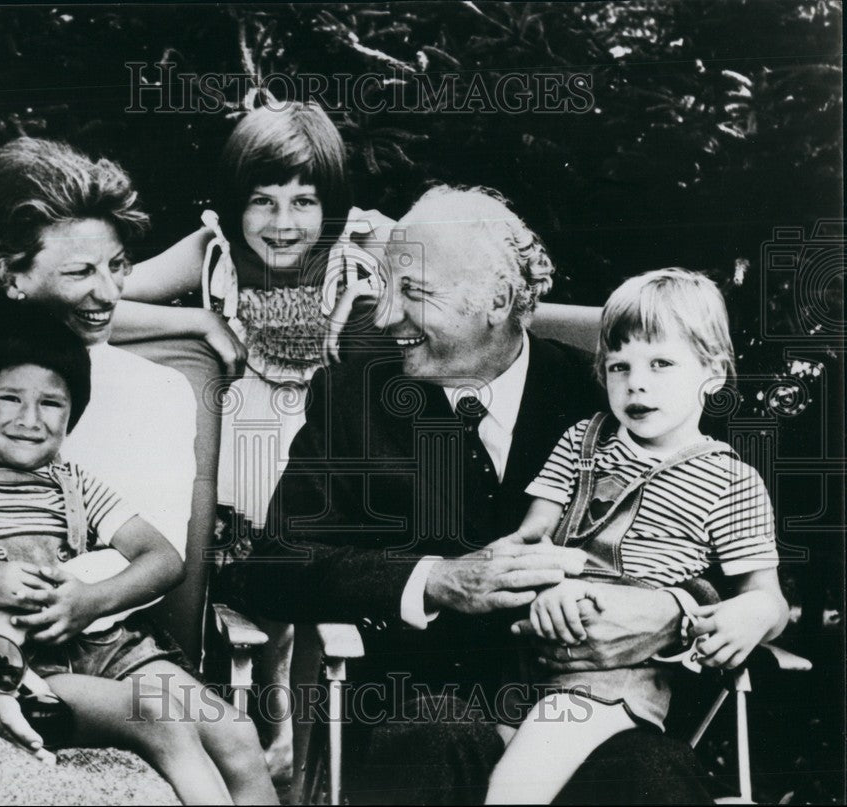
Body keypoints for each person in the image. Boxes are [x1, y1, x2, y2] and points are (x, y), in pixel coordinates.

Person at [227, 185, 721, 804]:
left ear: (497, 301)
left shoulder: (609, 400)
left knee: (651, 781)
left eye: (414, 293)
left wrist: (675, 611)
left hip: (588, 702)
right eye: (385, 286)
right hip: (419, 705)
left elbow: (725, 544)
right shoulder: (356, 397)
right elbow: (274, 567)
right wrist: (433, 579)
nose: (383, 317)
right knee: (432, 745)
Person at [0, 138, 225, 772]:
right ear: (14, 277)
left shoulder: (160, 393)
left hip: (100, 640)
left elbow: (154, 555)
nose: (108, 292)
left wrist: (6, 619)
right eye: (81, 272)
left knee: (229, 735)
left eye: (117, 265)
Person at [0, 312, 277, 805]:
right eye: (11, 398)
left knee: (232, 729)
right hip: (23, 665)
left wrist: (90, 600)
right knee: (161, 719)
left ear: (72, 415)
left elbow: (164, 558)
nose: (30, 419)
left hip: (106, 645)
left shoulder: (74, 483)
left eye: (51, 403)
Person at [119, 100, 390, 776]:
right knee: (233, 616)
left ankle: (297, 755)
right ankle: (216, 742)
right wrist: (193, 327)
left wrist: (406, 242)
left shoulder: (358, 255)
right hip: (232, 459)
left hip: (319, 462)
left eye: (304, 201)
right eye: (262, 201)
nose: (284, 222)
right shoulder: (212, 254)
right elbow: (92, 299)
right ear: (234, 203)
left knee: (310, 596)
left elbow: (465, 293)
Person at [484, 269, 788, 803]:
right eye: (618, 366)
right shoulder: (583, 440)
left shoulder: (732, 480)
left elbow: (768, 595)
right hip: (529, 658)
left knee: (512, 793)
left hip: (615, 680)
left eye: (661, 363)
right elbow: (533, 537)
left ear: (713, 374)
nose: (636, 382)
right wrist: (548, 577)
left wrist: (754, 614)